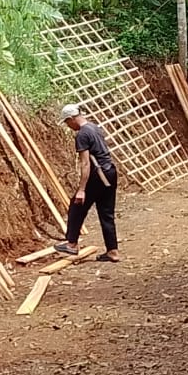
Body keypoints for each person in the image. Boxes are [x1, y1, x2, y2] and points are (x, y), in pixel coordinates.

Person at [56, 103, 121, 262]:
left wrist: (82, 189)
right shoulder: (94, 127)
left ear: (72, 119)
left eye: (67, 122)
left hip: (98, 174)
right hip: (110, 172)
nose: (68, 126)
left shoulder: (82, 135)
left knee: (77, 206)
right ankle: (112, 251)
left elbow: (86, 163)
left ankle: (71, 244)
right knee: (106, 213)